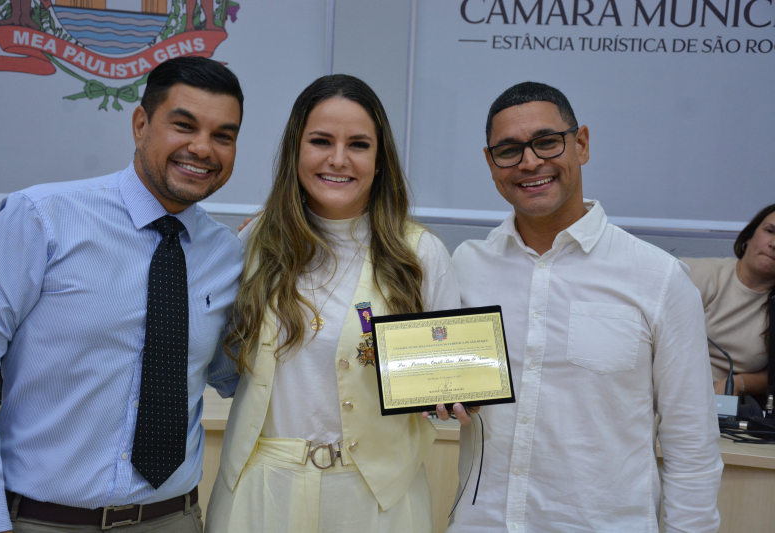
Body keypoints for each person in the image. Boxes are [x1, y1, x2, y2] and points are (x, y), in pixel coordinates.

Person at [0, 56, 245, 533]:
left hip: (173, 519)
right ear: (141, 124)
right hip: (41, 521)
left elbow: (241, 377)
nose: (202, 148)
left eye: (223, 135)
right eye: (184, 126)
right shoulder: (41, 218)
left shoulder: (227, 254)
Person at [445, 82, 723, 532]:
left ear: (582, 144)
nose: (530, 162)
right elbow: (437, 379)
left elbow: (692, 447)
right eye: (509, 150)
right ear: (491, 163)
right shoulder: (465, 266)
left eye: (546, 142)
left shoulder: (659, 278)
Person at [205, 74, 459, 533]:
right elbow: (223, 360)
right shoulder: (256, 241)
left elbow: (444, 383)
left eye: (358, 145)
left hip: (378, 499)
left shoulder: (420, 254)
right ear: (295, 151)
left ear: (380, 160)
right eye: (321, 141)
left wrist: (450, 396)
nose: (338, 159)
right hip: (261, 490)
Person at [682, 203, 775, 397]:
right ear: (749, 237)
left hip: (720, 401)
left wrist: (739, 383)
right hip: (659, 386)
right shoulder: (697, 273)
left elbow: (771, 376)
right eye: (770, 231)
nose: (773, 244)